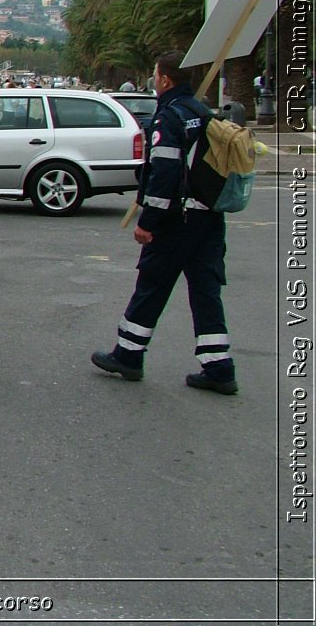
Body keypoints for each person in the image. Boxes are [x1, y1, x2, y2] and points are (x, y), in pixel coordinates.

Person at [91, 50, 238, 394]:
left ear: (165, 80)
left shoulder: (169, 117)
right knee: (205, 291)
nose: (153, 81)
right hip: (208, 218)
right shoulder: (201, 112)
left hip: (177, 220)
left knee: (152, 284)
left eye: (155, 76)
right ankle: (219, 367)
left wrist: (150, 221)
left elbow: (165, 172)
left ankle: (128, 354)